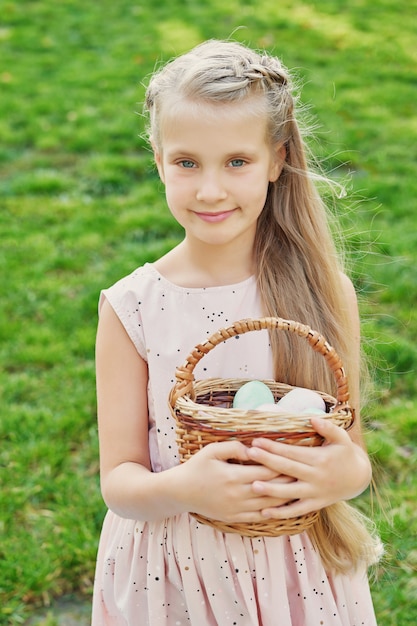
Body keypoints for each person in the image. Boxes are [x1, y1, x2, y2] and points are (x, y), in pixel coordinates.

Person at [92, 39, 381, 625]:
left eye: (237, 162)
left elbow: (352, 455)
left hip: (296, 570)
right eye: (187, 162)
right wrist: (183, 488)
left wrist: (344, 475)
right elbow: (119, 481)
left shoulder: (325, 294)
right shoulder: (132, 307)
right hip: (174, 569)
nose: (211, 190)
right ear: (158, 161)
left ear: (276, 160)